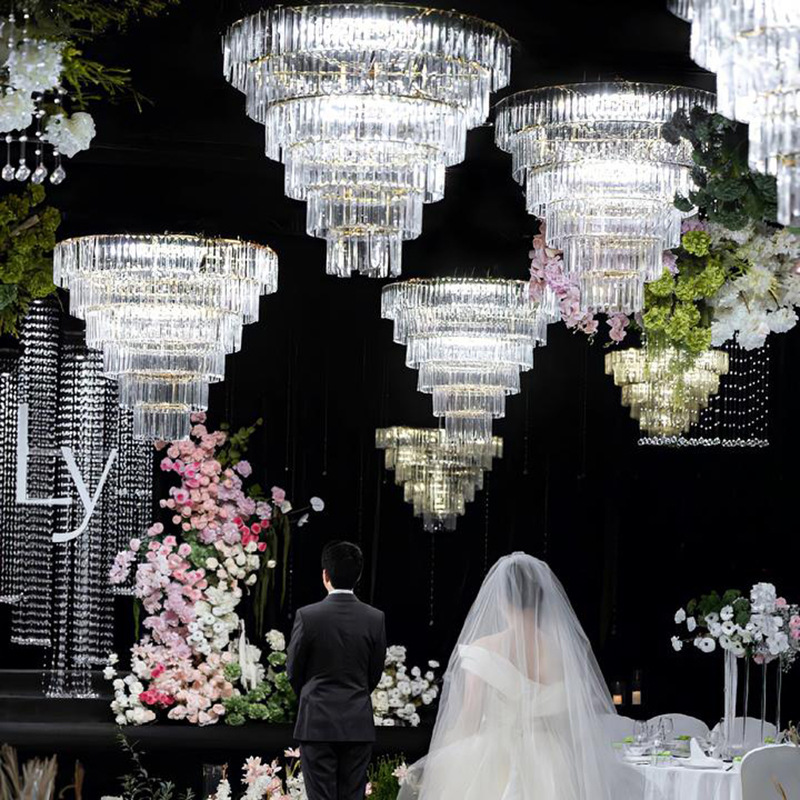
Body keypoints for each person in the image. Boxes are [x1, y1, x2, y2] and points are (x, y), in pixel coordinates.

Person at [398, 552, 644, 800]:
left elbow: (470, 716)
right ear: (541, 600)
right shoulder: (562, 653)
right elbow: (573, 717)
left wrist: (444, 753)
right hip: (552, 761)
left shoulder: (484, 650)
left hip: (494, 757)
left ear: (501, 599)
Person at [287, 541, 387, 800]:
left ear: (325, 575)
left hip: (316, 722)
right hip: (357, 722)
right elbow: (374, 673)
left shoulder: (308, 616)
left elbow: (293, 671)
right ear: (359, 575)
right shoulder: (375, 618)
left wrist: (312, 695)